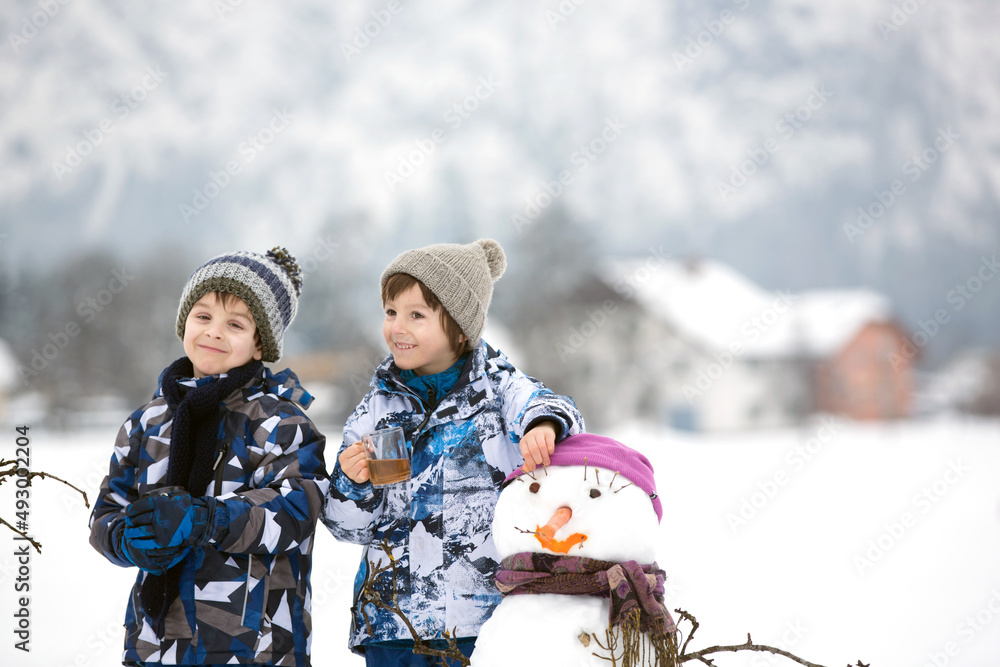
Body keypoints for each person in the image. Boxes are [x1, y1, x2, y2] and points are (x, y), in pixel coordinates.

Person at [322, 238, 585, 665]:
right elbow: (346, 528)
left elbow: (551, 405)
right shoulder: (376, 409)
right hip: (391, 624)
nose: (397, 327)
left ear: (460, 328)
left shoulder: (498, 390)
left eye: (416, 315)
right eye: (390, 313)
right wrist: (352, 486)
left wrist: (542, 425)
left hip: (481, 622)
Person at [88, 248, 329, 667]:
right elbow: (108, 511)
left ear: (260, 345)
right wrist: (125, 538)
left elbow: (296, 509)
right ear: (184, 323)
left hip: (255, 647)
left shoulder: (279, 422)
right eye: (202, 317)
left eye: (234, 324)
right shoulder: (147, 423)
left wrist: (206, 518)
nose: (214, 332)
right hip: (155, 645)